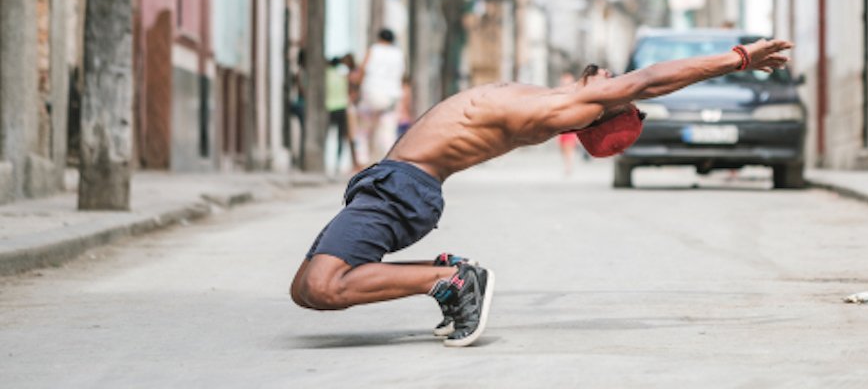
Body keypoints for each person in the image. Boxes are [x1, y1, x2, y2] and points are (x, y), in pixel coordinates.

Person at [288, 37, 792, 347]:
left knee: (324, 286)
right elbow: (640, 85)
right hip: (391, 182)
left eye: (618, 90)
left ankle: (451, 280)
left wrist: (740, 59)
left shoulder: (573, 107)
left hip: (400, 188)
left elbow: (652, 80)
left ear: (606, 110)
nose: (614, 77)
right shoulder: (562, 97)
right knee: (305, 288)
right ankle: (447, 275)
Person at [357, 29, 406, 163]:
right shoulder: (398, 54)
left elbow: (362, 70)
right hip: (391, 96)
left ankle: (362, 160)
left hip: (371, 93)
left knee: (364, 130)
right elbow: (401, 75)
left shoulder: (374, 49)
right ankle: (388, 161)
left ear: (379, 38)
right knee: (387, 131)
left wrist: (356, 87)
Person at [325, 56, 356, 173]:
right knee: (340, 137)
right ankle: (338, 163)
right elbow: (351, 88)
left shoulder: (326, 74)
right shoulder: (343, 75)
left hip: (328, 107)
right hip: (342, 107)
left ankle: (328, 163)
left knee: (327, 136)